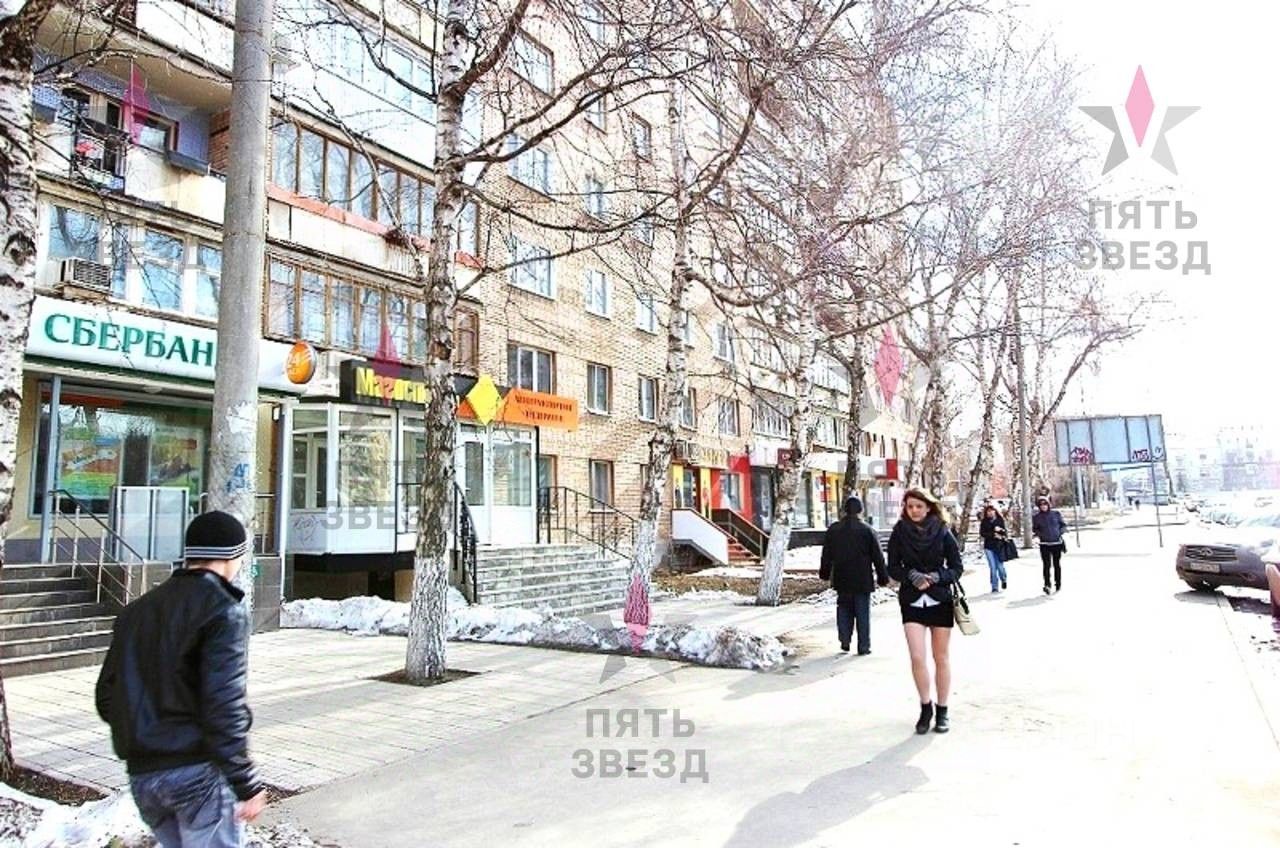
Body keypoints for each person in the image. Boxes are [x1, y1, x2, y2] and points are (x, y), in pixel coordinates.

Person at [97, 511, 267, 847]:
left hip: (143, 776)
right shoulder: (224, 610)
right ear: (233, 556)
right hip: (197, 773)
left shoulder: (137, 611)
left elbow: (107, 697)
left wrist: (146, 733)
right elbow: (224, 703)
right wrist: (245, 782)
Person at [887, 487, 964, 734]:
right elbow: (892, 567)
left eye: (918, 506)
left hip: (939, 599)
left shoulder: (942, 531)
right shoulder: (899, 532)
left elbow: (956, 568)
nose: (914, 511)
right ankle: (925, 707)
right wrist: (911, 575)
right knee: (917, 657)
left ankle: (943, 710)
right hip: (911, 601)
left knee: (941, 657)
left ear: (928, 507)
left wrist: (936, 577)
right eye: (910, 506)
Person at [819, 494, 889, 655]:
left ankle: (845, 639)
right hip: (862, 579)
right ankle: (864, 646)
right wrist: (883, 577)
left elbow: (826, 554)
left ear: (844, 510)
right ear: (861, 510)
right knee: (862, 612)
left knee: (843, 608)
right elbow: (877, 556)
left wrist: (825, 573)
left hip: (841, 577)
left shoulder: (834, 530)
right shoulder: (867, 530)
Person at [1032, 495, 1068, 595]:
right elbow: (1035, 529)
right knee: (1046, 565)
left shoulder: (1056, 514)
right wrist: (1040, 535)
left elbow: (1063, 525)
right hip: (1044, 544)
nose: (1043, 506)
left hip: (1056, 543)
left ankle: (1058, 583)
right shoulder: (1037, 517)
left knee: (1057, 564)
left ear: (1048, 504)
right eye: (1041, 505)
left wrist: (1060, 532)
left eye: (1045, 504)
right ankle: (1047, 584)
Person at [978, 504, 1009, 593]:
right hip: (989, 547)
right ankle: (994, 586)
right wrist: (993, 534)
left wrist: (1000, 531)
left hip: (999, 546)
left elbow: (1005, 533)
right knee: (992, 567)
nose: (990, 513)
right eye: (988, 511)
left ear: (995, 511)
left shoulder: (1000, 520)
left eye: (992, 511)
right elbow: (982, 533)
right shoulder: (984, 522)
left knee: (1000, 566)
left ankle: (1003, 579)